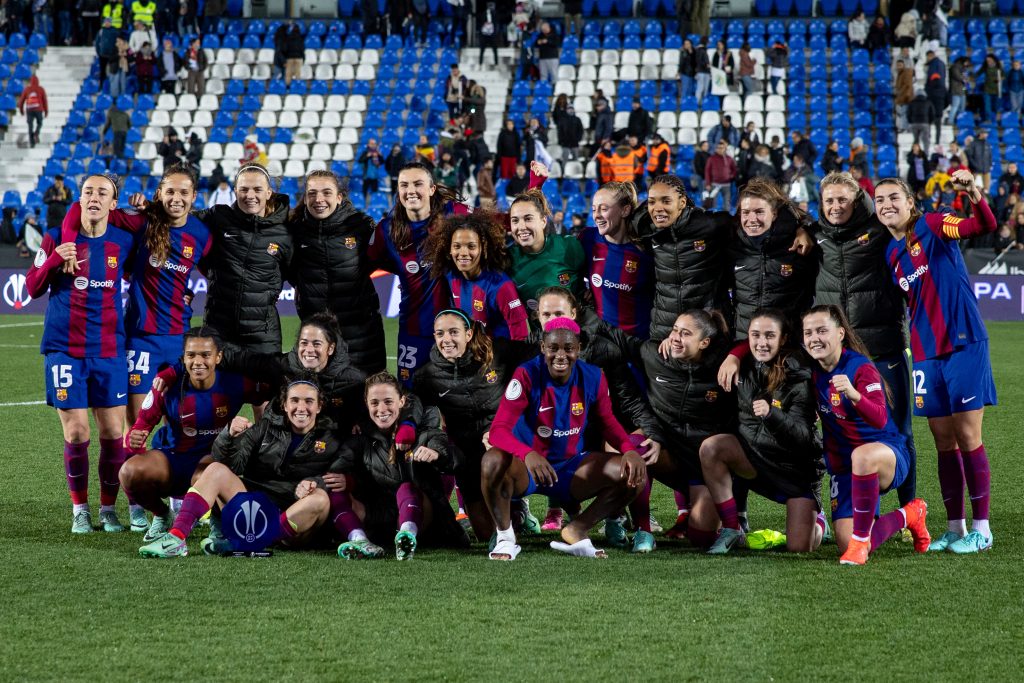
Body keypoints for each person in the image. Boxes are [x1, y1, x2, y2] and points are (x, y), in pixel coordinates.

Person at [874, 172, 998, 553]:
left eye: (894, 197)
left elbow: (984, 225)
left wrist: (973, 194)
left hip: (963, 343)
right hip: (925, 355)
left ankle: (982, 529)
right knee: (943, 441)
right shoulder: (890, 254)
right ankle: (956, 528)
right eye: (879, 201)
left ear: (910, 202)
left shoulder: (932, 224)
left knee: (967, 437)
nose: (887, 205)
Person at [25, 173, 139, 534]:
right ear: (80, 199)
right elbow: (31, 287)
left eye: (102, 192)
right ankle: (80, 510)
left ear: (112, 203)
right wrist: (52, 261)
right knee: (76, 433)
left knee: (111, 433)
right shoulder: (57, 238)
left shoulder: (123, 240)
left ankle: (108, 509)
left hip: (109, 350)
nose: (93, 196)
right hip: (64, 350)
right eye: (88, 191)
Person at [482, 318, 647, 560]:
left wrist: (628, 449)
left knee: (634, 475)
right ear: (542, 348)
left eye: (569, 348)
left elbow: (608, 422)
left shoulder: (593, 376)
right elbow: (498, 431)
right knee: (491, 460)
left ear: (578, 348)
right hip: (526, 469)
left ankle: (577, 529)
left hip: (570, 468)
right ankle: (506, 538)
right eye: (553, 348)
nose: (561, 355)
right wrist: (527, 453)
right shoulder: (526, 374)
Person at [137, 376, 344, 558]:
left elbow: (339, 478)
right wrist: (229, 436)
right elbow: (233, 465)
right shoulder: (266, 428)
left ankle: (249, 541)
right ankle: (176, 539)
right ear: (285, 405)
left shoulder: (333, 438)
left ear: (319, 406)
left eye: (309, 401)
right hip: (255, 512)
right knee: (215, 469)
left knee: (320, 499)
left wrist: (314, 483)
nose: (301, 408)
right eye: (295, 400)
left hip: (297, 523)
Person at [801, 305, 930, 565]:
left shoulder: (859, 367)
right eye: (808, 332)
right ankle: (911, 514)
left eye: (822, 330)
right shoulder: (812, 371)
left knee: (862, 456)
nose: (815, 338)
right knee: (846, 542)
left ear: (840, 333)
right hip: (847, 470)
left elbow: (880, 417)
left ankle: (859, 546)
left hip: (886, 455)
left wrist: (854, 395)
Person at [122, 328, 267, 543]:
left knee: (209, 473)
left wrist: (260, 429)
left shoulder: (235, 383)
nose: (198, 362)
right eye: (191, 355)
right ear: (184, 357)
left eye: (205, 355)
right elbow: (140, 426)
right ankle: (162, 515)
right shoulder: (166, 385)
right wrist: (134, 437)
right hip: (172, 459)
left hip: (210, 460)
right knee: (130, 471)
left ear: (218, 357)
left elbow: (268, 392)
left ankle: (218, 521)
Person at [699, 309, 826, 554]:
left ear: (783, 338)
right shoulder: (741, 365)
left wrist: (772, 414)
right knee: (712, 447)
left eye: (769, 336)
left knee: (800, 547)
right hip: (754, 460)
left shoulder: (798, 375)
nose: (761, 342)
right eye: (755, 335)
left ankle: (819, 522)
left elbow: (803, 438)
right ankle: (732, 527)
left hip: (793, 471)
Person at [325, 371, 468, 560]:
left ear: (402, 401)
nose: (381, 409)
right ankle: (359, 539)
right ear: (366, 404)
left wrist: (437, 454)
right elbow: (335, 468)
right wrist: (348, 480)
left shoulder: (422, 425)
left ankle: (406, 536)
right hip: (378, 515)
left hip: (421, 516)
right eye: (374, 403)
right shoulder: (360, 435)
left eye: (388, 401)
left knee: (406, 487)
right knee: (335, 486)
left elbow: (453, 456)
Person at [631, 310, 737, 548]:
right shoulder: (656, 354)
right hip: (671, 457)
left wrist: (735, 357)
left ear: (704, 342)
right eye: (675, 330)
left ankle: (729, 520)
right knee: (637, 445)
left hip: (704, 468)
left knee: (701, 538)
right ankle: (643, 531)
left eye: (685, 333)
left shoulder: (722, 367)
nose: (676, 337)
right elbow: (618, 341)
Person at [371, 162, 472, 385]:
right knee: (410, 396)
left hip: (456, 330)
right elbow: (362, 265)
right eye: (404, 185)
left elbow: (496, 224)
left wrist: (535, 187)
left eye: (418, 184)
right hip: (413, 329)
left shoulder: (454, 213)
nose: (411, 191)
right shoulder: (387, 230)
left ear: (432, 189)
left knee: (459, 399)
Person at [288, 170, 386, 376]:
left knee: (365, 399)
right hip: (317, 336)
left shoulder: (360, 226)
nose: (319, 199)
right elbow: (290, 271)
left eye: (326, 192)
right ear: (305, 198)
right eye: (312, 193)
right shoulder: (294, 230)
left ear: (339, 197)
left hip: (362, 335)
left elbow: (376, 261)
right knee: (320, 402)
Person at [729, 179, 818, 338]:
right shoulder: (732, 245)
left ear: (775, 213)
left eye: (759, 211)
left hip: (788, 344)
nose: (752, 219)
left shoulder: (800, 246)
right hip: (745, 343)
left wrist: (801, 230)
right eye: (746, 212)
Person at [426, 212, 529, 340]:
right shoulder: (449, 276)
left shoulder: (501, 286)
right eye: (457, 246)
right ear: (449, 250)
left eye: (471, 246)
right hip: (468, 354)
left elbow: (521, 336)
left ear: (483, 248)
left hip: (498, 355)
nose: (463, 253)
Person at [580, 181, 654, 338]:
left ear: (625, 210)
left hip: (638, 346)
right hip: (603, 345)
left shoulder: (647, 251)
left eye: (604, 208)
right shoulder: (588, 239)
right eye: (594, 209)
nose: (596, 215)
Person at [506, 187, 585, 312]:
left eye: (528, 219)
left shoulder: (569, 247)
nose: (521, 227)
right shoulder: (507, 260)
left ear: (543, 221)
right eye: (515, 220)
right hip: (532, 331)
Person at [704, 140, 738, 210]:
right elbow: (707, 171)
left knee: (727, 204)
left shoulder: (729, 159)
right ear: (716, 149)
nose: (720, 149)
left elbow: (734, 170)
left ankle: (726, 218)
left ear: (725, 149)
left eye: (722, 148)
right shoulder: (711, 159)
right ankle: (714, 218)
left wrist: (731, 176)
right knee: (714, 204)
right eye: (718, 148)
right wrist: (708, 184)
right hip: (715, 184)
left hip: (726, 184)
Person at [17, 75, 47, 147]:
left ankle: (32, 143)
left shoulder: (27, 89)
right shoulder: (41, 89)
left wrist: (21, 110)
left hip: (29, 109)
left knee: (30, 126)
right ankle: (36, 133)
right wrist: (46, 111)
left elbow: (21, 101)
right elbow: (44, 101)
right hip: (38, 109)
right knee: (39, 123)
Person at [965, 129, 993, 193]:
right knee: (975, 189)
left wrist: (990, 165)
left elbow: (990, 155)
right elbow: (969, 156)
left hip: (986, 170)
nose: (986, 135)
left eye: (986, 133)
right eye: (985, 133)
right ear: (980, 134)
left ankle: (985, 202)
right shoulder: (973, 143)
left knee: (986, 190)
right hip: (976, 171)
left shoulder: (987, 144)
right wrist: (975, 166)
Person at [282, 22, 304, 86]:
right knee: (298, 73)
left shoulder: (288, 38)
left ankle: (288, 86)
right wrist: (303, 57)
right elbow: (302, 49)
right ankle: (297, 86)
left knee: (288, 73)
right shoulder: (300, 38)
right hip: (298, 58)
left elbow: (285, 48)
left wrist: (284, 57)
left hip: (289, 58)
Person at [694, 36, 711, 106]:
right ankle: (697, 103)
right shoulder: (700, 50)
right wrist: (706, 65)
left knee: (704, 89)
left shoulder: (702, 50)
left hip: (704, 71)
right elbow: (699, 61)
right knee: (700, 88)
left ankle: (703, 103)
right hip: (702, 71)